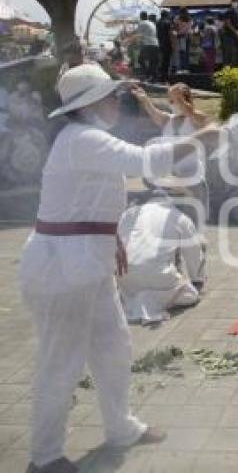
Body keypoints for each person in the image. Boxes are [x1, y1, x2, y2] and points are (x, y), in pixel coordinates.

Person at [18, 64, 221, 473]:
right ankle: (45, 455)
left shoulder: (86, 138)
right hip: (61, 269)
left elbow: (99, 199)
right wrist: (200, 138)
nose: (115, 101)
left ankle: (121, 426)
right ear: (91, 102)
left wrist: (112, 242)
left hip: (87, 264)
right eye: (110, 96)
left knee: (113, 348)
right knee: (61, 362)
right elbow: (143, 161)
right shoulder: (82, 138)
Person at [117, 190, 205, 325]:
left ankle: (139, 300)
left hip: (125, 277)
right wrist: (197, 279)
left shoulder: (129, 213)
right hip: (159, 277)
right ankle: (150, 300)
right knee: (191, 295)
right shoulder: (179, 217)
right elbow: (193, 252)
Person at [133, 83, 211, 225]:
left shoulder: (198, 118)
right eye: (170, 100)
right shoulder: (168, 119)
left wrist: (180, 98)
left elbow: (192, 114)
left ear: (186, 99)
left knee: (193, 225)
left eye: (173, 100)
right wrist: (144, 99)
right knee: (169, 225)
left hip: (192, 181)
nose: (172, 103)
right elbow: (152, 111)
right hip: (169, 181)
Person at [133, 11, 159, 81]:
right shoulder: (152, 23)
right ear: (146, 16)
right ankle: (153, 77)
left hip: (148, 44)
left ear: (141, 17)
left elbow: (138, 36)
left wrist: (137, 44)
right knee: (152, 62)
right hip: (155, 44)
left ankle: (147, 74)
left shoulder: (141, 23)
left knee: (140, 60)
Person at [221, 0, 238, 67]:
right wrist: (235, 31)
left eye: (236, 2)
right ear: (231, 3)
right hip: (228, 34)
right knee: (228, 51)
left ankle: (236, 66)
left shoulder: (237, 12)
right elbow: (228, 23)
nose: (235, 3)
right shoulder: (229, 11)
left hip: (235, 34)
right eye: (234, 2)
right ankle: (227, 67)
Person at [156, 10, 173, 82]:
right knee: (167, 60)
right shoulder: (168, 22)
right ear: (166, 15)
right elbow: (170, 34)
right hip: (167, 43)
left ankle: (160, 76)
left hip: (159, 43)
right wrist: (172, 44)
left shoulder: (157, 22)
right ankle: (165, 76)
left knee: (161, 60)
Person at [175, 8, 192, 73]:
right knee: (186, 53)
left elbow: (176, 27)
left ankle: (181, 68)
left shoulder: (178, 18)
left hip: (181, 36)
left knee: (181, 53)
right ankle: (186, 68)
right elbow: (189, 28)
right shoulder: (189, 19)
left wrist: (178, 32)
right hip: (187, 36)